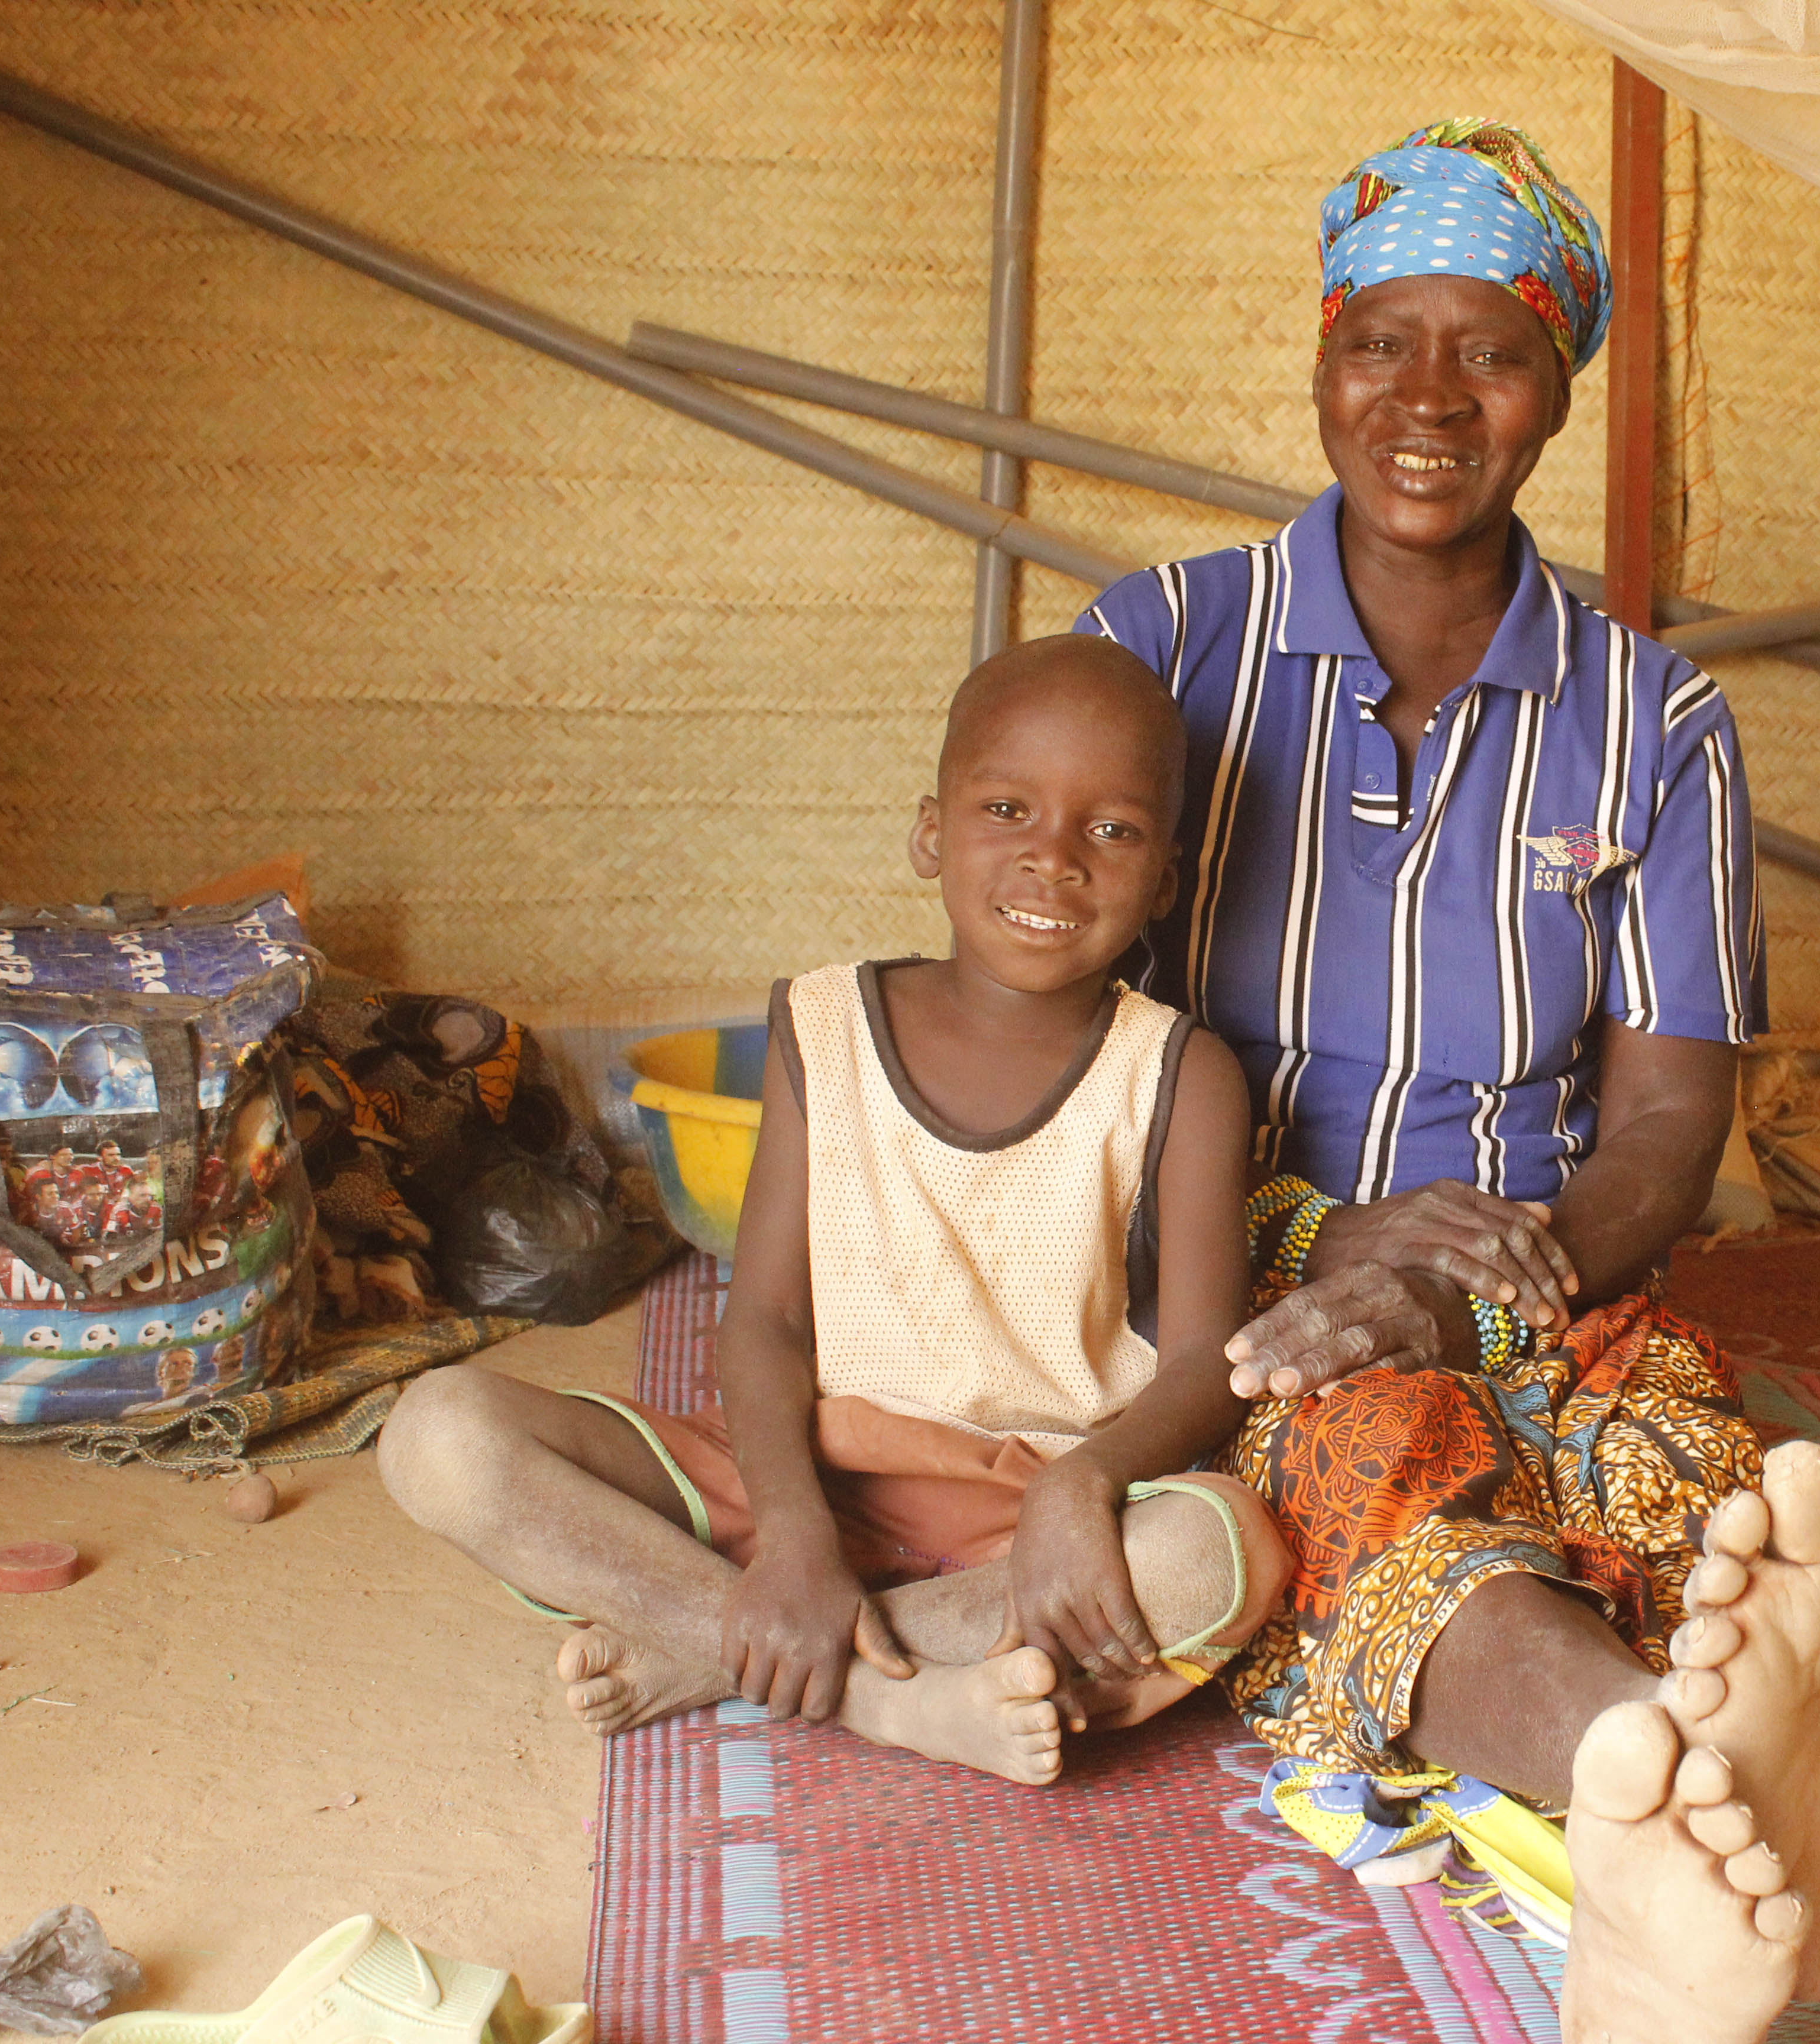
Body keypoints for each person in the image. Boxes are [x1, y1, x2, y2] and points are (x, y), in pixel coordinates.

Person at [1078, 118, 1820, 2040]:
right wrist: (1334, 1253)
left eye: (1493, 350)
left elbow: (1673, 1134)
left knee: (1683, 1454)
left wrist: (1461, 1267)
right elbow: (1046, 1031)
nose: (1427, 398)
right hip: (1238, 1262)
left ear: (1554, 390)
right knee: (1365, 1454)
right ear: (1319, 354)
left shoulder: (1652, 723)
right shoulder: (1161, 643)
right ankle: (1643, 1783)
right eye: (1384, 338)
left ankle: (1742, 1746)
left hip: (1539, 1244)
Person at [379, 635, 1289, 1787]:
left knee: (1222, 1553)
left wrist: (1081, 1483)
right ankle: (887, 1698)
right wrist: (800, 1538)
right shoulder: (824, 1026)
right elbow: (762, 1322)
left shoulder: (1183, 1073)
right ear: (929, 833)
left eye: (1111, 828)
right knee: (439, 1435)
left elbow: (1209, 1359)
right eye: (1007, 806)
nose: (1052, 858)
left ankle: (710, 1651)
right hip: (792, 1481)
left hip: (1021, 1526)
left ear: (1164, 878)